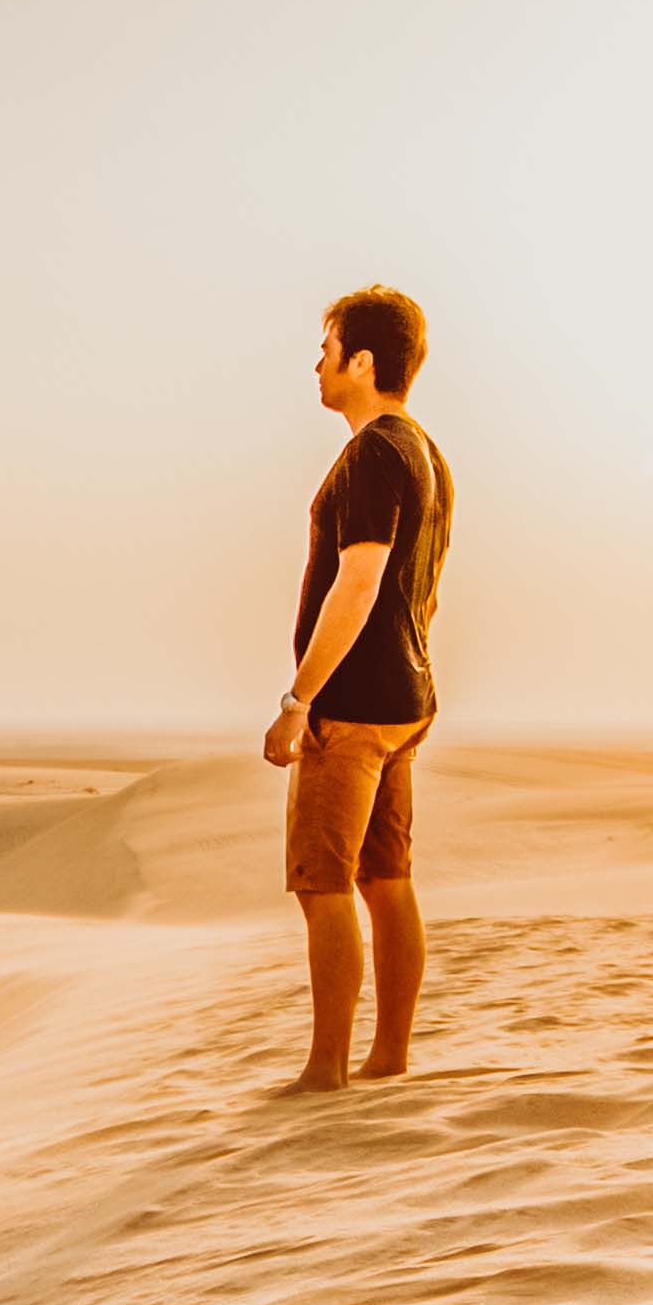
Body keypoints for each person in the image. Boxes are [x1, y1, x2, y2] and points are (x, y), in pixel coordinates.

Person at [261, 284, 453, 1092]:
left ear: (363, 360)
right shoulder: (427, 453)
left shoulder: (375, 451)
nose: (318, 363)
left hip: (354, 708)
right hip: (406, 700)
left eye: (327, 347)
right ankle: (389, 1057)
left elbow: (363, 580)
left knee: (324, 882)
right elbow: (425, 587)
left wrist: (299, 700)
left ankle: (326, 1069)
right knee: (386, 878)